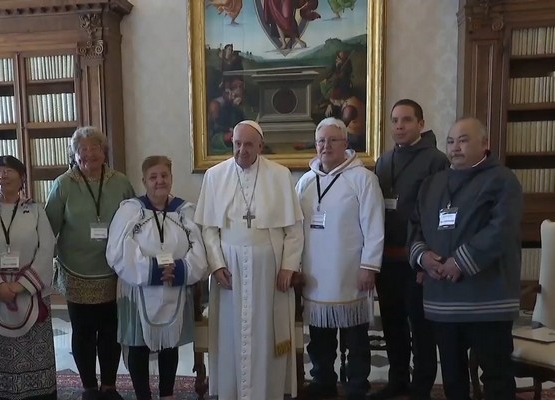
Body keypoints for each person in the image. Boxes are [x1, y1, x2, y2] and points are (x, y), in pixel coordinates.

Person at [408, 117, 522, 400]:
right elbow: (415, 227)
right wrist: (424, 258)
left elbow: (502, 230)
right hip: (442, 300)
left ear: (485, 144)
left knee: (496, 377)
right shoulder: (431, 184)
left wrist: (459, 261)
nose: (455, 147)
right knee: (452, 379)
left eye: (463, 140)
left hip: (488, 299)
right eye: (450, 141)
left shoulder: (503, 180)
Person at [194, 120, 304, 400]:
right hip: (229, 267)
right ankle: (232, 391)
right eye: (237, 144)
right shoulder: (215, 176)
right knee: (231, 331)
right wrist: (217, 264)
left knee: (266, 332)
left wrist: (288, 266)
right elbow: (209, 229)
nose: (242, 150)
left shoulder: (279, 176)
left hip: (269, 266)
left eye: (248, 145)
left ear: (260, 146)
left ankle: (266, 391)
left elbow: (293, 229)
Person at [295, 118, 385, 400]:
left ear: (346, 143)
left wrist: (369, 266)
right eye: (321, 140)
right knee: (319, 336)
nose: (325, 146)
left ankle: (356, 383)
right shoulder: (306, 181)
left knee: (355, 337)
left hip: (350, 271)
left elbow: (374, 225)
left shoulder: (363, 179)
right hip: (315, 273)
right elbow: (295, 228)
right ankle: (323, 379)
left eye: (332, 140)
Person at [106, 155, 208, 400]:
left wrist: (182, 269)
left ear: (171, 178)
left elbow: (200, 249)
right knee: (139, 345)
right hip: (138, 290)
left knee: (168, 345)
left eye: (164, 176)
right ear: (144, 181)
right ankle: (143, 395)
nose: (159, 181)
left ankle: (167, 394)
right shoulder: (131, 211)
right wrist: (152, 271)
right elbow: (118, 251)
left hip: (176, 286)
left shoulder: (185, 211)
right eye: (153, 177)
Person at [45, 127, 135, 400]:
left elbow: (134, 220)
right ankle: (88, 388)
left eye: (93, 147)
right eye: (82, 149)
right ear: (74, 153)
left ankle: (108, 386)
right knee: (83, 331)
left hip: (112, 271)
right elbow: (49, 226)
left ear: (103, 151)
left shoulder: (120, 182)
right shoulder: (63, 184)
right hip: (76, 271)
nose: (88, 153)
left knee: (110, 331)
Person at [369, 99, 448, 400]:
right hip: (386, 260)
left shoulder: (436, 160)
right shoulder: (384, 160)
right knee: (392, 322)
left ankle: (422, 385)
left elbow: (438, 213)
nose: (399, 126)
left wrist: (427, 261)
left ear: (420, 124)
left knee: (421, 326)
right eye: (394, 121)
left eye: (406, 120)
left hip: (417, 260)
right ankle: (397, 379)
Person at [0, 155, 57, 400]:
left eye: (9, 171)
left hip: (30, 292)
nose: (2, 176)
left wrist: (22, 285)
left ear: (22, 178)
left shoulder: (36, 210)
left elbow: (46, 248)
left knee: (34, 353)